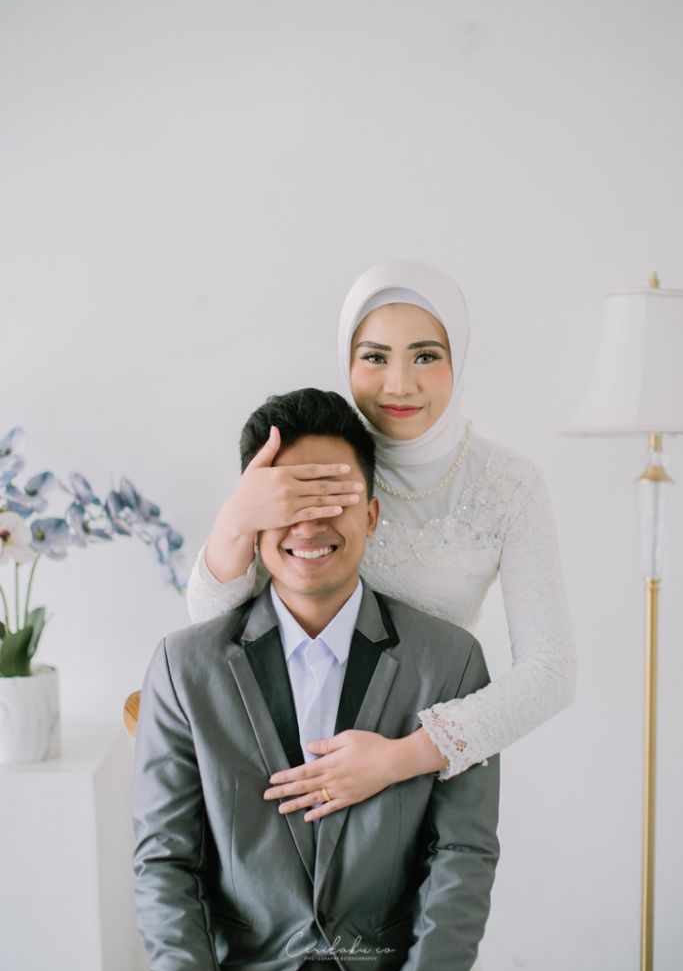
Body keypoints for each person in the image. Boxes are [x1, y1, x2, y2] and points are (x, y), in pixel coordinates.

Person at [185, 261, 576, 822]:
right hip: (286, 744)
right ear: (347, 360)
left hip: (419, 766)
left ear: (459, 357)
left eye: (426, 356)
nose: (398, 384)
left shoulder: (510, 486)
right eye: (374, 357)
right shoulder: (315, 451)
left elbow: (551, 673)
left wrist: (398, 758)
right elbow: (211, 625)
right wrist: (236, 518)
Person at [132, 388, 500, 971]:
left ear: (371, 516)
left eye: (333, 497)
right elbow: (165, 865)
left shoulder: (450, 663)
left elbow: (462, 855)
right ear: (253, 518)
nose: (310, 523)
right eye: (288, 499)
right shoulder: (184, 667)